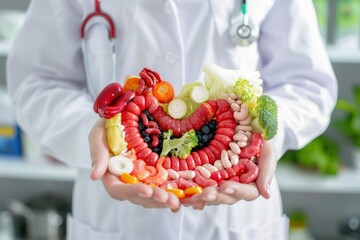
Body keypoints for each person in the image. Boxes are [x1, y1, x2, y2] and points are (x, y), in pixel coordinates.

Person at [6, 0, 337, 239]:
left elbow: (308, 83)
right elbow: (37, 81)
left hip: (237, 213)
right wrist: (96, 135)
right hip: (116, 215)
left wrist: (261, 137)